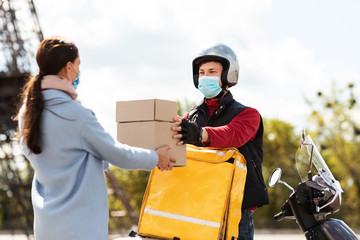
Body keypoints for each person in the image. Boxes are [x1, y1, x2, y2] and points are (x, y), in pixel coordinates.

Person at [15, 36, 176, 240]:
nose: (79, 71)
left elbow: (60, 158)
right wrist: (155, 157)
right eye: (78, 65)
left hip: (46, 229)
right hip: (80, 229)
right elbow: (120, 155)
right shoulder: (76, 114)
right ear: (68, 67)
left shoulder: (26, 114)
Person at [172, 43, 269, 240]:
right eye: (201, 72)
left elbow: (232, 134)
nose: (205, 76)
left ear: (227, 75)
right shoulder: (190, 117)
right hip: (198, 208)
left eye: (212, 72)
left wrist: (201, 134)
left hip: (235, 212)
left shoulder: (248, 115)